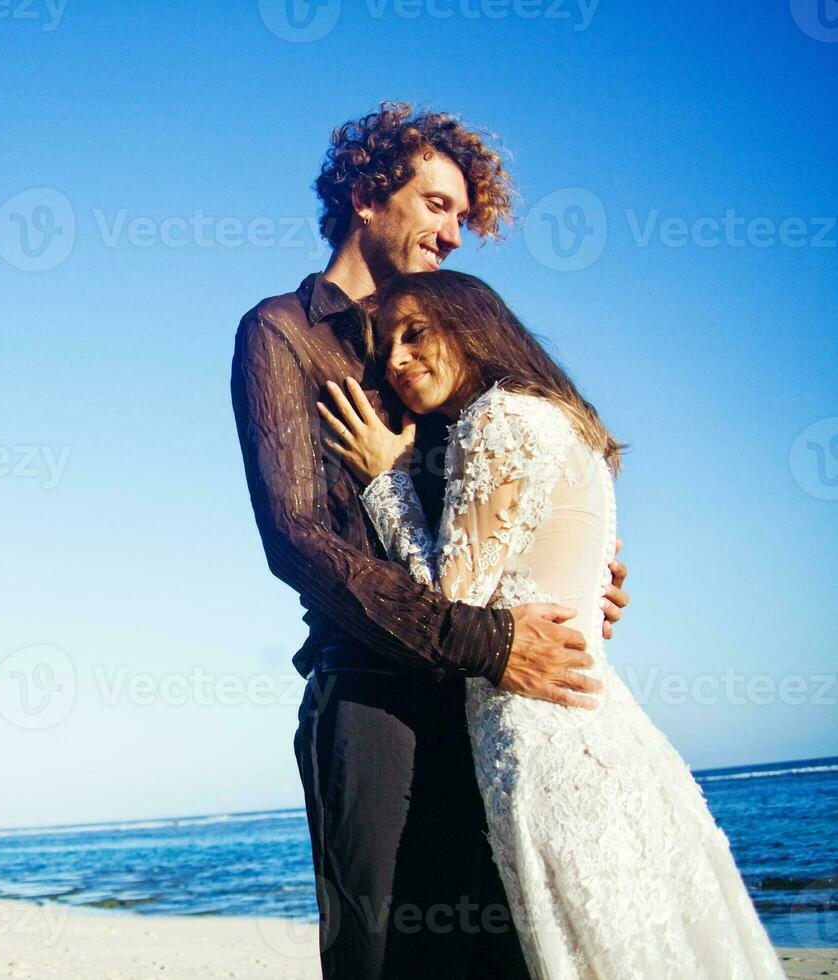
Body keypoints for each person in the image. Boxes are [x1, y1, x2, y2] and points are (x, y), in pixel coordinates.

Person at [229, 102, 629, 979]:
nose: (454, 234)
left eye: (462, 216)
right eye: (438, 205)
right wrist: (489, 641)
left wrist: (571, 578)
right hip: (376, 704)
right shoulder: (280, 334)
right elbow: (296, 539)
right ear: (368, 195)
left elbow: (508, 496)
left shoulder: (446, 342)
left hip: (494, 711)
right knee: (386, 961)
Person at [317, 269, 786, 979]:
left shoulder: (495, 422)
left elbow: (448, 605)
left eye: (416, 334)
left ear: (475, 324)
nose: (399, 361)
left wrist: (388, 480)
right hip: (600, 724)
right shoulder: (566, 422)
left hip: (541, 737)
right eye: (387, 352)